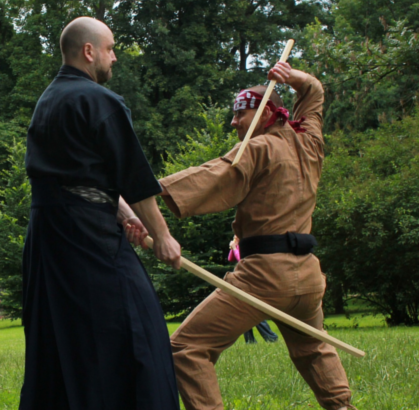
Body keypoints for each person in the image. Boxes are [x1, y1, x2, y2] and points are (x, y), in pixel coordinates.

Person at [159, 62, 355, 410]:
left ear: (266, 113)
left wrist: (145, 191)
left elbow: (215, 175)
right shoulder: (310, 142)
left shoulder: (257, 149)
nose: (234, 122)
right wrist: (294, 78)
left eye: (241, 115)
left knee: (186, 349)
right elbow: (314, 91)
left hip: (265, 277)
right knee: (313, 349)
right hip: (308, 278)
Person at [20, 16, 181, 410]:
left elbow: (82, 174)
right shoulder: (101, 101)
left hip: (48, 238)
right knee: (135, 329)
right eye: (110, 50)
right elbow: (133, 175)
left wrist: (125, 215)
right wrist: (162, 236)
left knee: (60, 338)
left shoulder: (47, 101)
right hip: (86, 240)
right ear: (89, 52)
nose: (114, 59)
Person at [228, 236, 278, 344]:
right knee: (243, 312)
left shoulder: (249, 245)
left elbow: (242, 260)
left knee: (252, 310)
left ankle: (271, 337)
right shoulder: (240, 246)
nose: (235, 237)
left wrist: (235, 248)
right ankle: (250, 341)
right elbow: (230, 259)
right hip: (242, 282)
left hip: (251, 282)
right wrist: (234, 247)